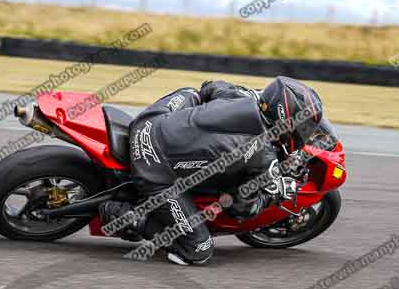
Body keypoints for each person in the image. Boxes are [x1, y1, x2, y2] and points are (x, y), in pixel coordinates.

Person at [99, 76, 324, 266]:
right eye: (304, 127)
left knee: (192, 93)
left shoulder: (241, 96)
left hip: (150, 121)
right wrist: (273, 195)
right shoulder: (263, 158)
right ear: (286, 119)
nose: (305, 133)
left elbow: (209, 86)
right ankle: (126, 217)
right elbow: (241, 209)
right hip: (154, 167)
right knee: (198, 250)